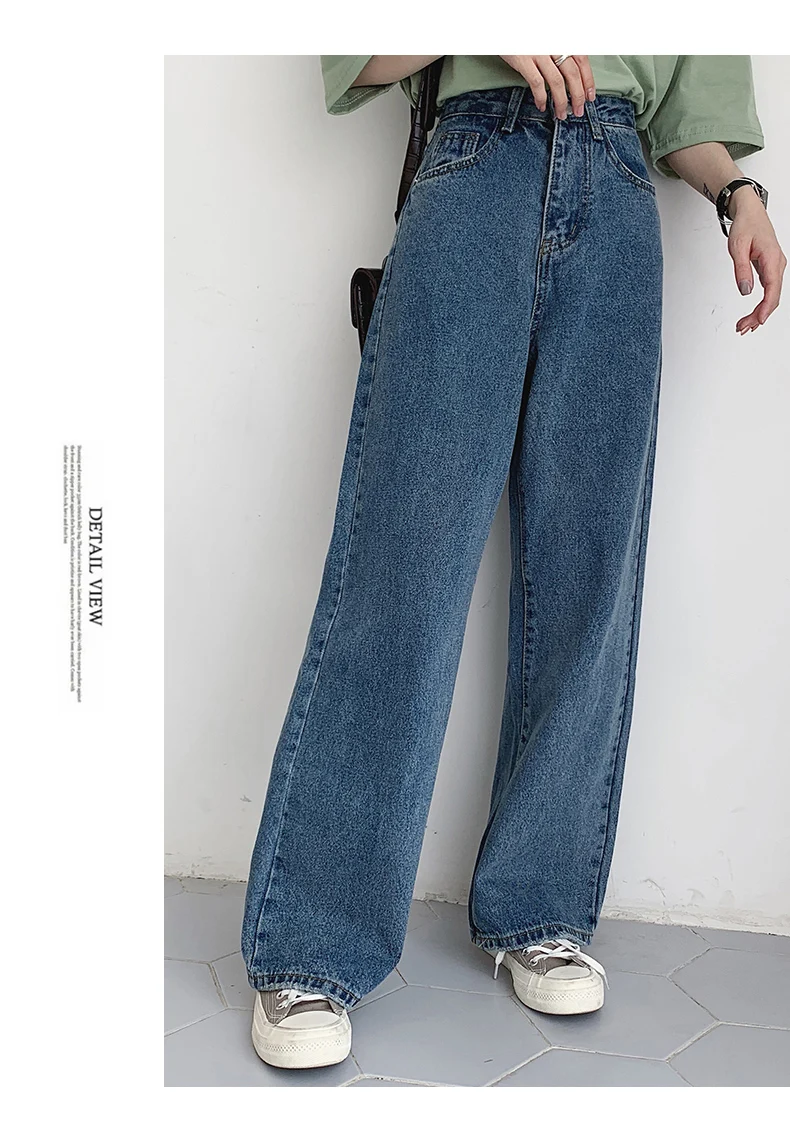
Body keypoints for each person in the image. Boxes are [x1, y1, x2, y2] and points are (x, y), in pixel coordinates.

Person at [240, 55, 785, 1070]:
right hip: (474, 164)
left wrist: (736, 192)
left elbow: (690, 106)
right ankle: (311, 944)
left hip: (619, 191)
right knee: (403, 569)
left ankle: (541, 905)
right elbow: (352, 52)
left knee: (589, 576)